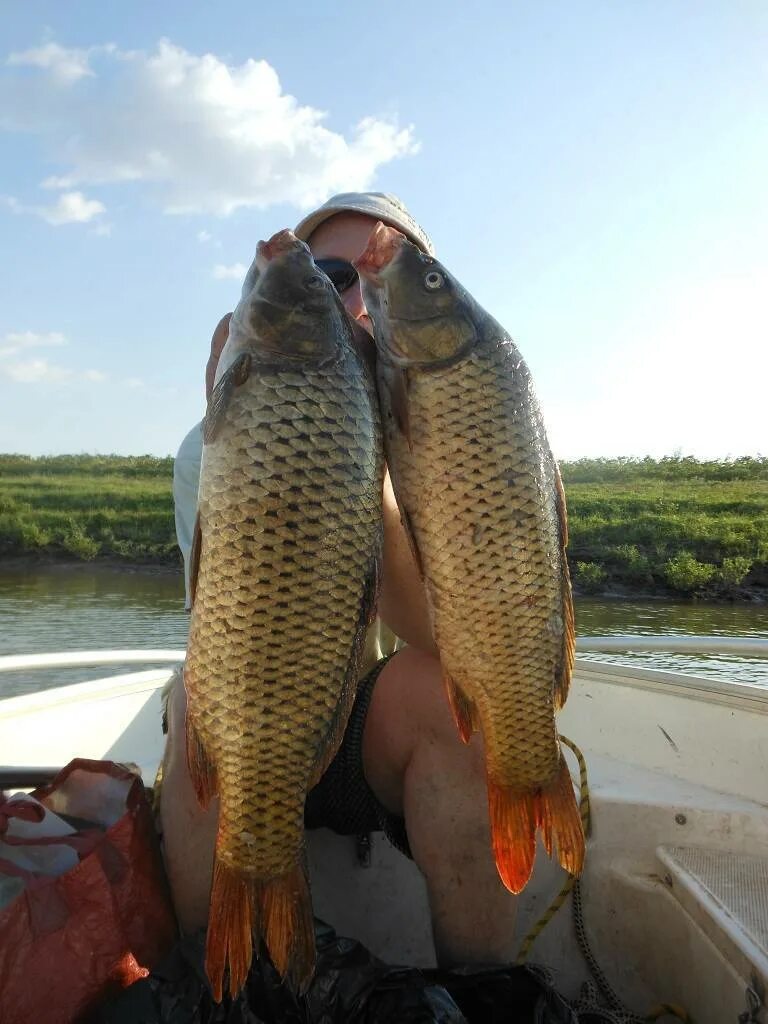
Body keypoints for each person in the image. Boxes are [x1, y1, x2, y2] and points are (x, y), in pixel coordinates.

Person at [161, 192, 519, 969]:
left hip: (366, 736)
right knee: (193, 699)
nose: (353, 297)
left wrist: (377, 486)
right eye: (331, 276)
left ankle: (486, 988)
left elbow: (442, 645)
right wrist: (243, 439)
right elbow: (222, 626)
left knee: (462, 706)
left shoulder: (455, 447)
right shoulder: (218, 444)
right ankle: (212, 977)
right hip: (260, 714)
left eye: (369, 277)